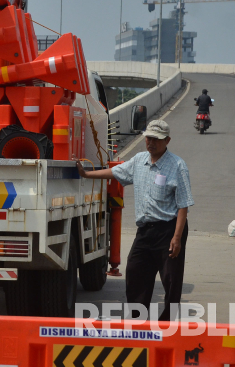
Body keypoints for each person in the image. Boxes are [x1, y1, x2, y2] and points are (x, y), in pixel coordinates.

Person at [76, 119, 193, 321]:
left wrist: (177, 238)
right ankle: (139, 322)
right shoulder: (139, 161)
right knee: (135, 271)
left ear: (167, 140)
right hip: (145, 231)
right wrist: (87, 174)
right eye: (148, 138)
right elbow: (114, 172)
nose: (151, 142)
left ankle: (167, 326)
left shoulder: (177, 166)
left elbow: (183, 205)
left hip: (169, 230)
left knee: (171, 280)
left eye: (156, 139)